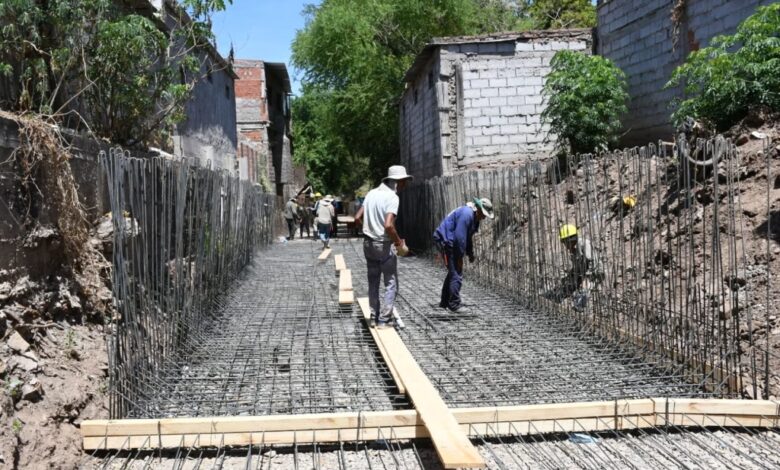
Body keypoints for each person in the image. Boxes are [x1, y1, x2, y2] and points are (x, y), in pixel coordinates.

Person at [354, 165, 413, 329]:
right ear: (397, 182)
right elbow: (388, 225)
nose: (404, 186)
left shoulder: (371, 193)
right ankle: (384, 320)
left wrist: (368, 230)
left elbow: (357, 218)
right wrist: (398, 242)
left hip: (368, 244)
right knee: (391, 283)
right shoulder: (393, 197)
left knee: (373, 281)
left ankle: (373, 317)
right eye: (404, 182)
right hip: (383, 245)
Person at [432, 198, 494, 313]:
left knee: (453, 272)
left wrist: (470, 253)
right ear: (479, 209)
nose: (484, 217)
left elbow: (467, 236)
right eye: (484, 214)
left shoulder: (474, 217)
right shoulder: (467, 214)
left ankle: (445, 302)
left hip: (450, 239)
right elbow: (459, 238)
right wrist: (459, 257)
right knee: (456, 272)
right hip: (446, 240)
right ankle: (454, 304)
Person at [558, 224, 604, 311]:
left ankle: (580, 304)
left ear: (570, 240)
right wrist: (571, 275)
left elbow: (592, 262)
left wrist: (586, 278)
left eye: (564, 242)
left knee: (585, 288)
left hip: (595, 271)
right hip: (583, 270)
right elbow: (578, 265)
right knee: (569, 283)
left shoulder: (584, 244)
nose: (564, 245)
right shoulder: (574, 248)